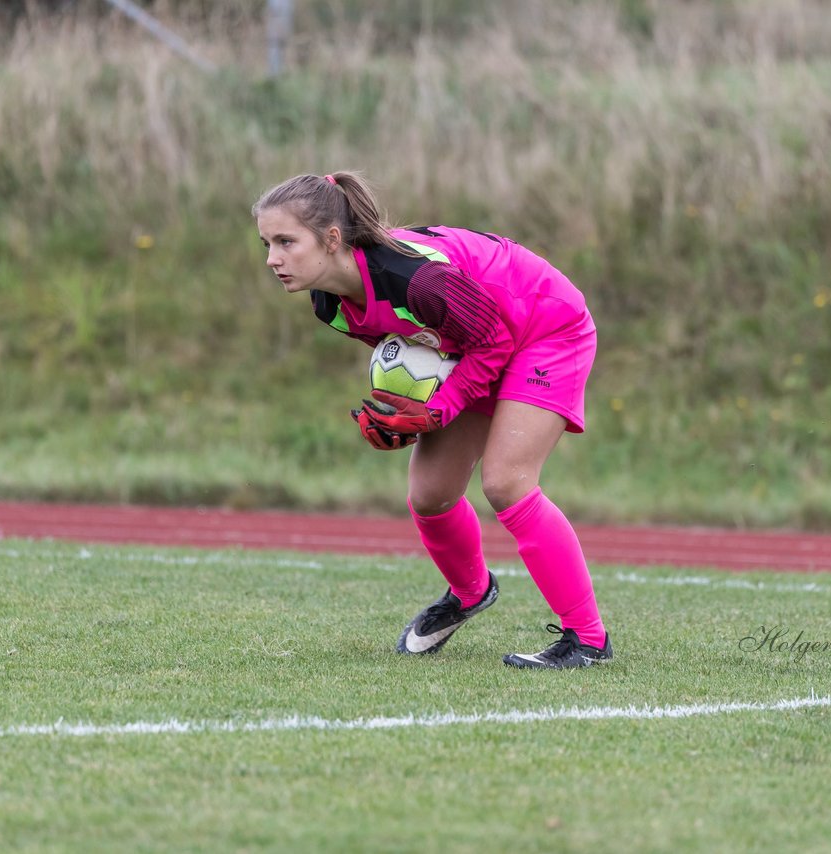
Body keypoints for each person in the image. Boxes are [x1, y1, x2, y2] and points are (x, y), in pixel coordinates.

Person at [252, 171, 611, 669]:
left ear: (332, 240)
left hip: (545, 326)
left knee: (507, 482)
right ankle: (470, 593)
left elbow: (495, 340)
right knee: (430, 494)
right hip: (480, 340)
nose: (272, 258)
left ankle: (588, 639)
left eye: (286, 241)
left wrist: (436, 411)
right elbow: (421, 350)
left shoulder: (415, 278)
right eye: (267, 243)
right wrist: (401, 412)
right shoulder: (328, 303)